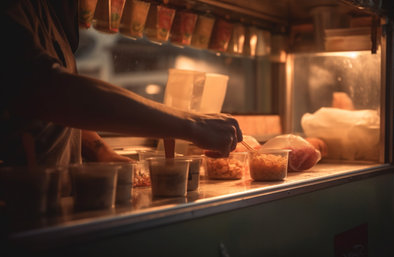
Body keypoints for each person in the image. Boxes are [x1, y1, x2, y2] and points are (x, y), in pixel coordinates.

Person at [0, 0, 242, 167]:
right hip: (18, 216)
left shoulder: (48, 14)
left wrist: (100, 151)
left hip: (51, 202)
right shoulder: (12, 10)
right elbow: (50, 91)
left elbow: (59, 111)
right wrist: (193, 124)